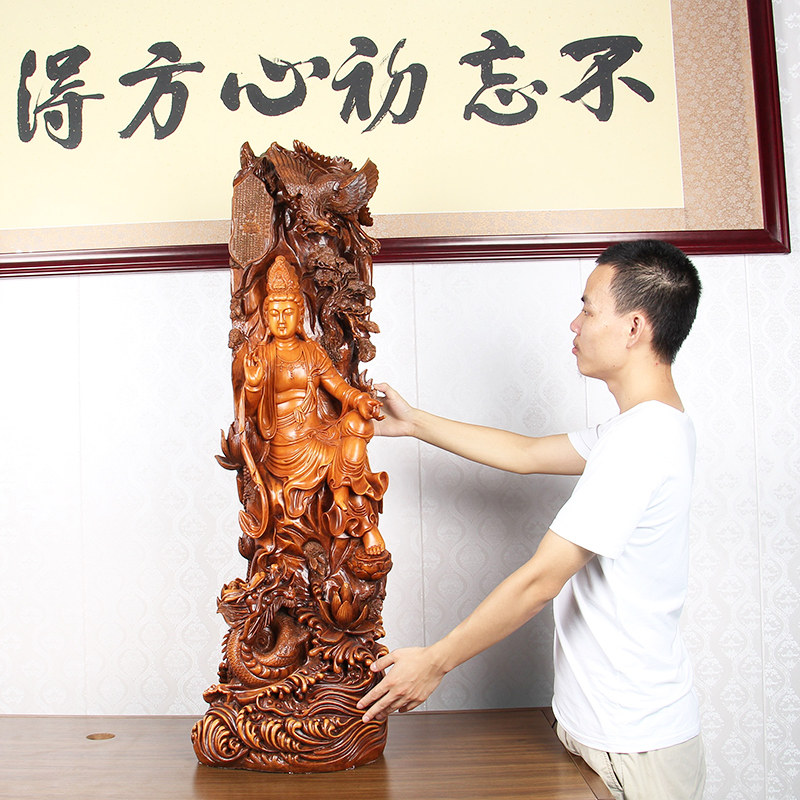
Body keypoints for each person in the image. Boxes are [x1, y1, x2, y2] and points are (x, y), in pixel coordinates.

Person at [357, 240, 705, 800]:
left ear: (634, 327)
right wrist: (414, 423)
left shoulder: (641, 441)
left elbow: (542, 580)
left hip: (634, 747)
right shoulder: (647, 427)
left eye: (588, 308)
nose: (575, 323)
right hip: (616, 734)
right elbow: (525, 453)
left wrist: (435, 662)